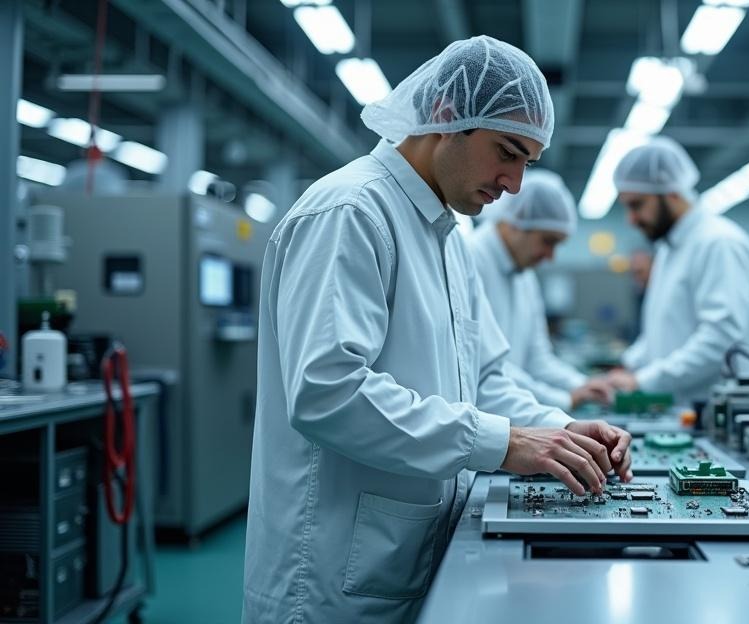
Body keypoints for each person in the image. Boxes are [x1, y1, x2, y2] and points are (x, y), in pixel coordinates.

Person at [242, 36, 632, 624]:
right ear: (448, 115)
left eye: (527, 162)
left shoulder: (448, 238)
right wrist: (506, 444)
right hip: (327, 577)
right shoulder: (351, 212)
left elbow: (485, 378)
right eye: (507, 151)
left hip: (402, 555)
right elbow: (328, 391)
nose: (514, 185)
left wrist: (561, 432)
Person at [603, 136, 749, 404]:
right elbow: (663, 330)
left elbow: (720, 340)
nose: (631, 219)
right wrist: (628, 365)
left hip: (721, 412)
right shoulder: (669, 248)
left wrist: (643, 381)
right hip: (683, 410)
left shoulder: (719, 243)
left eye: (637, 205)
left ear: (672, 193)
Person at [466, 169, 612, 411]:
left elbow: (537, 359)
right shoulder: (470, 258)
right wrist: (561, 400)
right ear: (515, 223)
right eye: (548, 241)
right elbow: (483, 364)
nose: (551, 256)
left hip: (517, 412)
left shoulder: (524, 273)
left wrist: (583, 384)